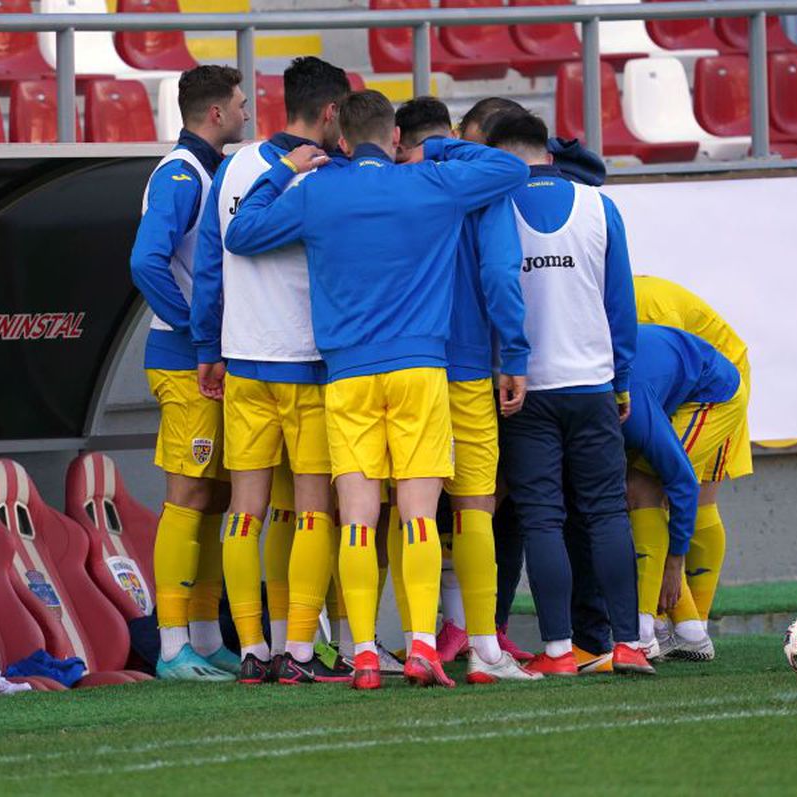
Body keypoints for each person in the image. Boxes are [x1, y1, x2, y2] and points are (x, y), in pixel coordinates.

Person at [225, 90, 529, 689]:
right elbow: (511, 168)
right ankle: (422, 647)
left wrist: (283, 169)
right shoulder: (431, 182)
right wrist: (434, 149)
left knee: (359, 520)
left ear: (341, 140)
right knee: (419, 518)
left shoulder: (317, 190)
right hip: (420, 370)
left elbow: (243, 233)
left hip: (346, 376)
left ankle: (363, 651)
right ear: (394, 138)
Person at [191, 56, 354, 686]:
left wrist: (209, 346)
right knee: (313, 510)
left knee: (245, 509)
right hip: (307, 361)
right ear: (332, 111)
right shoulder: (327, 174)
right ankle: (300, 651)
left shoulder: (233, 167)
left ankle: (253, 648)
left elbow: (209, 265)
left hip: (243, 359)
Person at [487, 110, 654, 677]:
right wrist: (622, 380)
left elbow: (493, 293)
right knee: (607, 513)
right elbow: (621, 305)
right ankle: (627, 643)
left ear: (501, 158)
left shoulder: (495, 207)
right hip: (593, 385)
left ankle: (559, 650)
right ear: (548, 153)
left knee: (541, 520)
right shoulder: (600, 206)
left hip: (524, 389)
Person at [393, 96, 537, 684]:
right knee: (475, 505)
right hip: (468, 364)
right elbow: (500, 274)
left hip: (398, 365)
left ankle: (414, 643)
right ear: (451, 134)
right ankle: (484, 649)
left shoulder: (388, 184)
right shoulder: (482, 185)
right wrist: (514, 353)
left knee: (404, 510)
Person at [128, 65, 249, 681]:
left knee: (216, 497)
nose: (247, 114)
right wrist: (193, 329)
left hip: (206, 356)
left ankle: (204, 635)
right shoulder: (180, 174)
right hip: (185, 360)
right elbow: (146, 261)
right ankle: (171, 643)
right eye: (241, 104)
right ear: (216, 113)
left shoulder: (205, 170)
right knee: (189, 496)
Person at [632, 275, 752, 658]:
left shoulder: (647, 310)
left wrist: (674, 562)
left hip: (715, 384)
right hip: (673, 379)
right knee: (639, 485)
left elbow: (680, 481)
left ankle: (686, 626)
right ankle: (675, 626)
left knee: (664, 490)